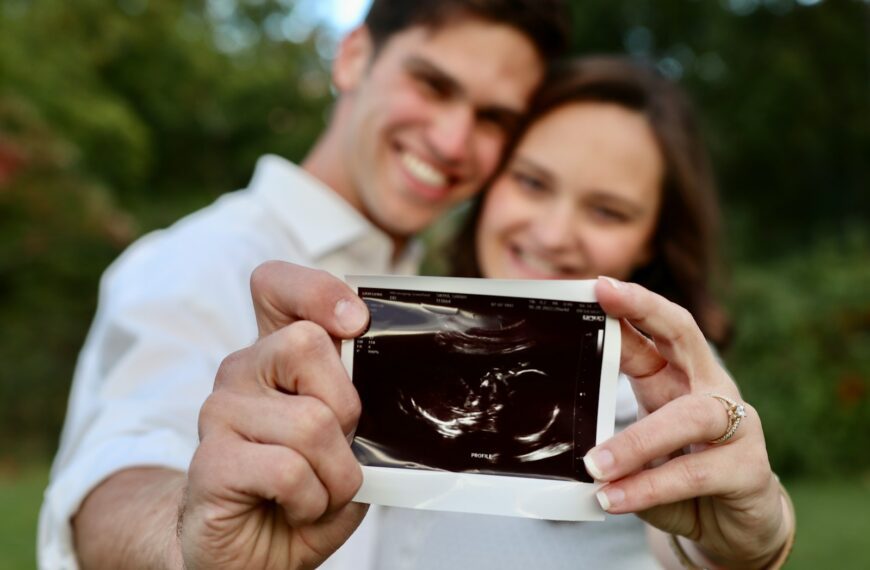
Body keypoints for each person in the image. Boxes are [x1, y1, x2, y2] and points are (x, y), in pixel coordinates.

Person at [37, 2, 569, 568]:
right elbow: (114, 480)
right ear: (354, 57)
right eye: (432, 85)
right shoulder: (196, 259)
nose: (454, 141)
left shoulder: (455, 306)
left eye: (493, 119)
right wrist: (186, 542)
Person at [232, 56, 795, 568]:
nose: (552, 235)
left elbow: (698, 536)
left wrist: (750, 539)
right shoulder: (392, 329)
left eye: (607, 210)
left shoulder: (662, 386)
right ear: (491, 180)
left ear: (652, 239)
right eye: (531, 182)